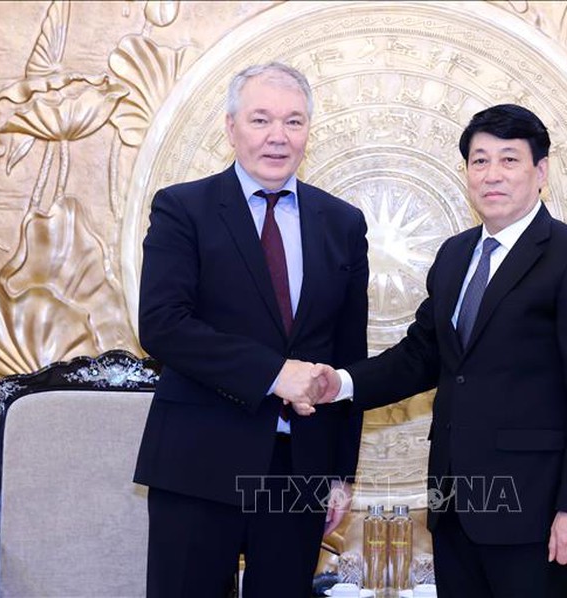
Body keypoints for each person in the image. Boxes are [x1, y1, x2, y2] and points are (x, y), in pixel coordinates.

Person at [297, 104, 567, 597]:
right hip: (453, 507)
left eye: (509, 160)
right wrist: (339, 383)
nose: (492, 174)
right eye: (480, 160)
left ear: (541, 172)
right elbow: (421, 356)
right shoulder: (455, 255)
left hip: (535, 512)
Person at [133, 62, 369, 597]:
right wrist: (273, 374)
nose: (277, 136)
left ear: (308, 131)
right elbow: (163, 324)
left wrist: (340, 473)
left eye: (293, 121)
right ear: (231, 127)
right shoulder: (183, 208)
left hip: (299, 471)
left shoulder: (342, 222)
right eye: (261, 119)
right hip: (198, 460)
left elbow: (347, 354)